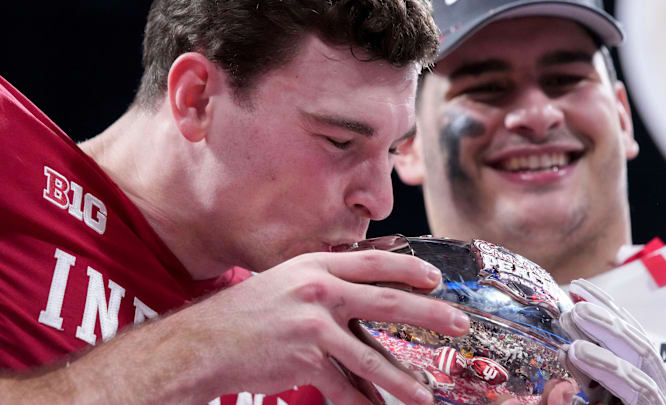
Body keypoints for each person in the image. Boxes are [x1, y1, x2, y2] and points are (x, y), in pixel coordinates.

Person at [0, 1, 478, 404]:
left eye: (392, 150)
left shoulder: (319, 348)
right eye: (338, 141)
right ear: (197, 99)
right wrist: (194, 350)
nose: (380, 201)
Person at [394, 0, 666, 403]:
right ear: (407, 143)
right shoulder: (345, 339)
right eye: (487, 89)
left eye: (565, 79)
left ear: (622, 116)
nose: (538, 114)